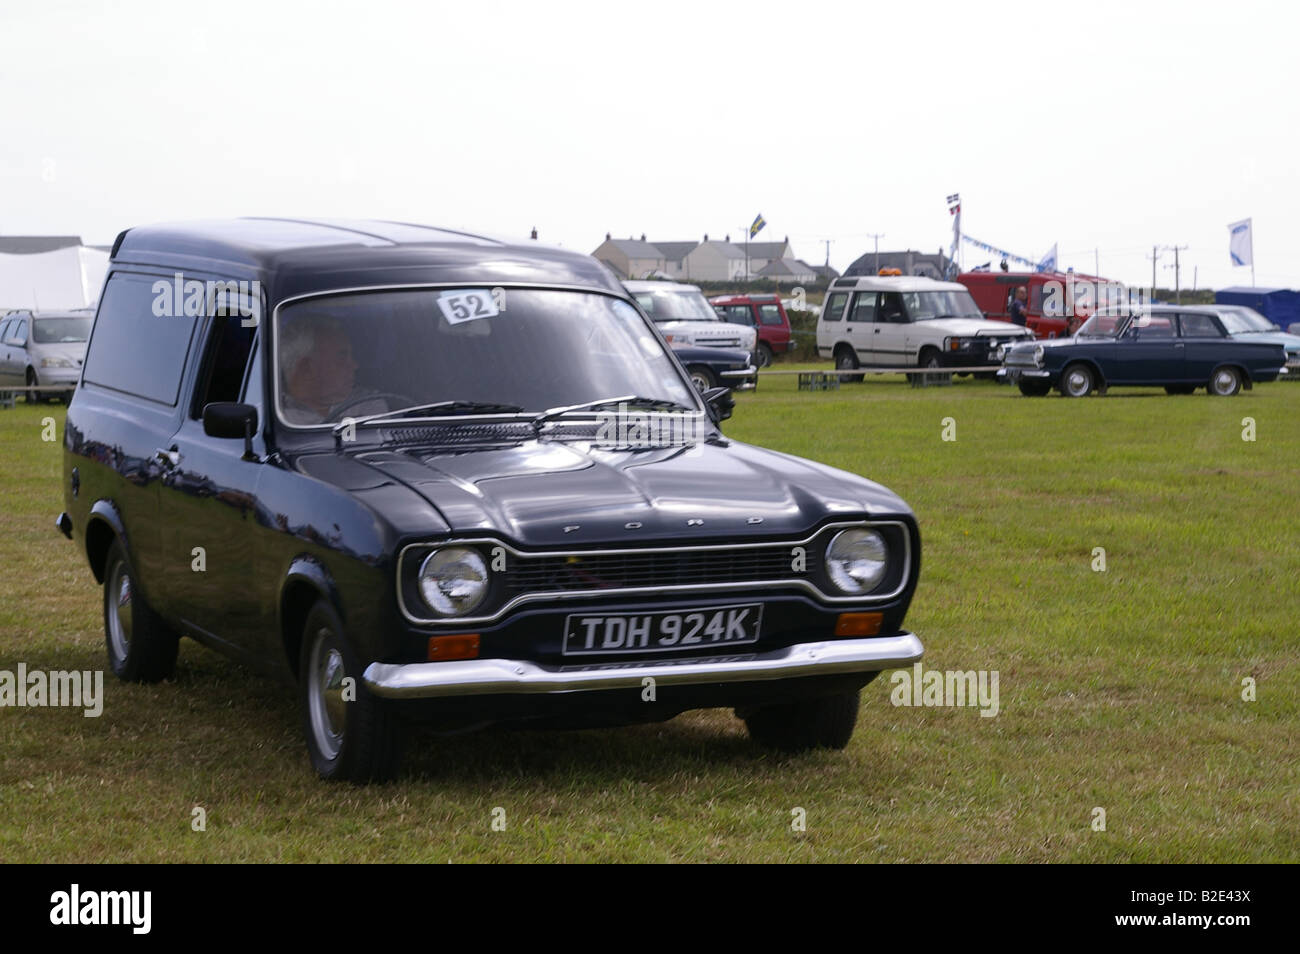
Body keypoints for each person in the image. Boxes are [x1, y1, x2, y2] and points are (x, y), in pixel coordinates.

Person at [280, 314, 393, 424]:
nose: (354, 366)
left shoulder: (365, 403)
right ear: (307, 368)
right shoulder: (277, 416)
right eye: (342, 357)